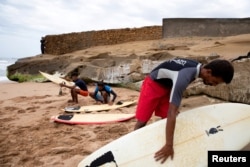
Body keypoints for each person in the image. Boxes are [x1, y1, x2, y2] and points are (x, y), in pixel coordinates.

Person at [134, 58, 234, 164]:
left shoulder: (198, 68)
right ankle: (134, 147)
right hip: (152, 85)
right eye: (214, 81)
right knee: (142, 121)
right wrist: (169, 145)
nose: (213, 85)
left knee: (169, 118)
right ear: (208, 71)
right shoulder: (184, 75)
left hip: (168, 87)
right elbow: (171, 112)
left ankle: (161, 145)